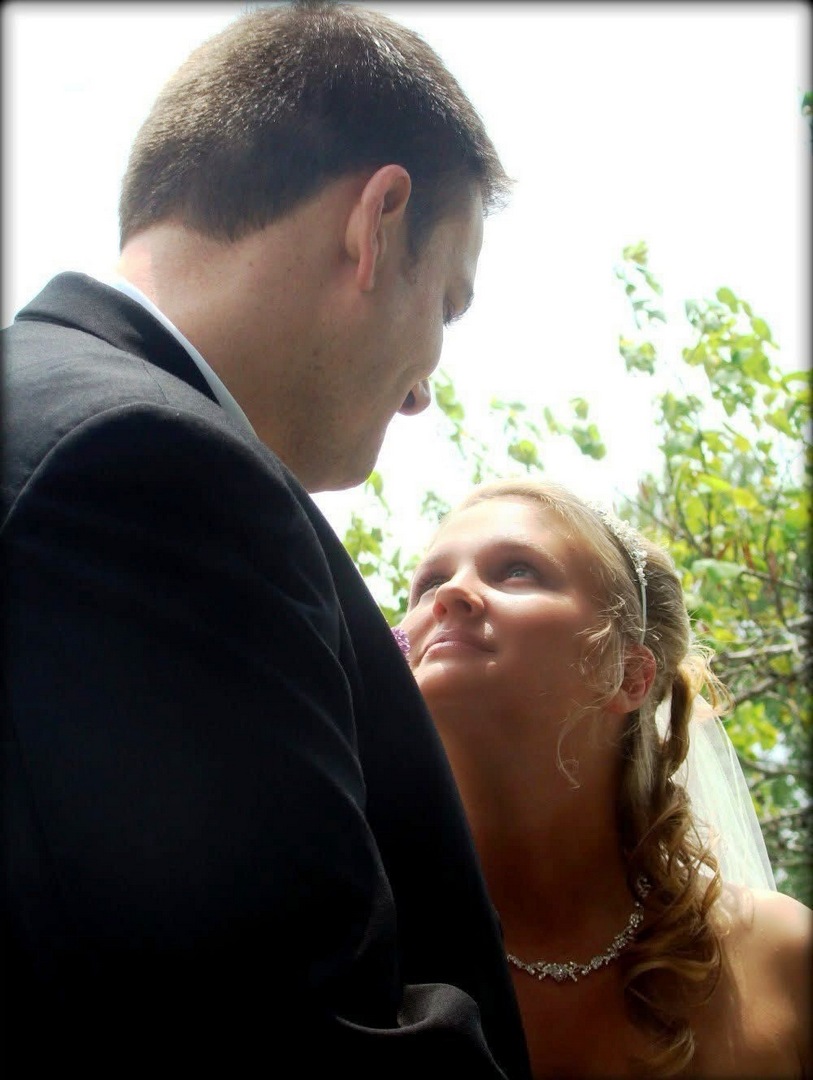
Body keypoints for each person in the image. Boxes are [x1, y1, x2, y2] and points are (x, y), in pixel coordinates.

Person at [0, 5, 532, 1077]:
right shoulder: (149, 476)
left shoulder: (56, 412)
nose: (423, 391)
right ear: (378, 222)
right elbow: (297, 1038)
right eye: (448, 302)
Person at [397, 478, 811, 1078]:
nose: (452, 593)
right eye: (430, 583)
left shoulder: (782, 957)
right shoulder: (345, 944)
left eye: (517, 571)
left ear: (628, 673)